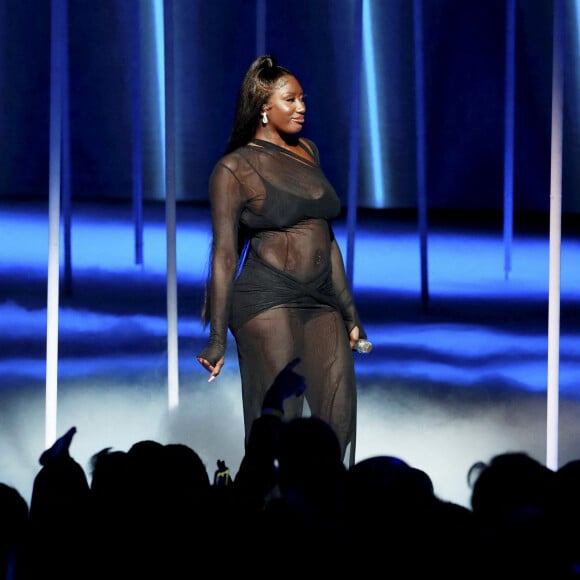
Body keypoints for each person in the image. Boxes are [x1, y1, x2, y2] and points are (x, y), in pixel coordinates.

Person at [196, 54, 369, 466]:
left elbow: (327, 241)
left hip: (321, 298)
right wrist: (217, 337)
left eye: (303, 99)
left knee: (337, 421)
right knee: (281, 421)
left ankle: (325, 512)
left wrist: (349, 312)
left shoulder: (308, 151)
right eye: (290, 100)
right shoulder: (233, 169)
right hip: (267, 300)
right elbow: (223, 254)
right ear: (263, 108)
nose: (301, 107)